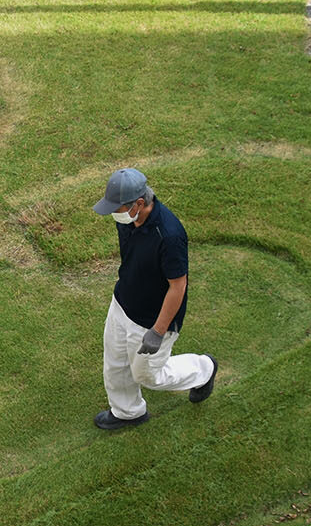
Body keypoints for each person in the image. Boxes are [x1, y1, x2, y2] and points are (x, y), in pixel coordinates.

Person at [93, 167, 217, 429]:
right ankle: (128, 412)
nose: (114, 214)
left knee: (148, 375)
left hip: (151, 319)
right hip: (123, 303)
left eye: (118, 208)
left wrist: (158, 332)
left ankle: (203, 369)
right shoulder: (127, 219)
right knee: (115, 361)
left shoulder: (169, 235)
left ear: (139, 203)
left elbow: (178, 286)